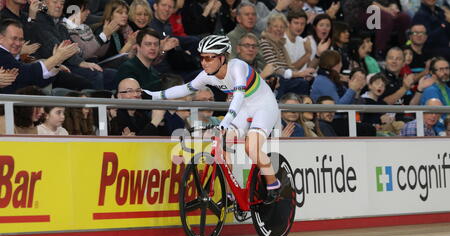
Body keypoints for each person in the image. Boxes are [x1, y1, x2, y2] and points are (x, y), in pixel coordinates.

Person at [144, 35, 283, 204]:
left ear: (222, 58)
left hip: (264, 105)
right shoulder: (207, 75)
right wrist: (153, 95)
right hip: (243, 107)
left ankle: (273, 184)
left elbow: (238, 96)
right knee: (222, 148)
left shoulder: (237, 67)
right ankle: (231, 195)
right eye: (202, 57)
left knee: (251, 148)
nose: (204, 62)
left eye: (209, 58)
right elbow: (184, 89)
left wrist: (226, 120)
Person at [30, 0, 113, 90]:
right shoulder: (40, 23)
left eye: (61, 3)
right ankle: (96, 103)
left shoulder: (60, 25)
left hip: (69, 62)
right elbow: (60, 48)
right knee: (94, 75)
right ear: (44, 4)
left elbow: (78, 50)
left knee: (110, 75)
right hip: (51, 66)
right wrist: (81, 62)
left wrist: (106, 36)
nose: (59, 6)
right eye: (55, 2)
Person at [0, 19, 83, 94]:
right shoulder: (2, 54)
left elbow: (38, 82)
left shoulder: (14, 58)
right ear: (1, 38)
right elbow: (26, 73)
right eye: (14, 38)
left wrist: (57, 62)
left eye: (21, 39)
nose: (18, 43)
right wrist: (57, 58)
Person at [259, 13, 315, 99]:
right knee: (301, 83)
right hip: (274, 78)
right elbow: (273, 68)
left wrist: (303, 74)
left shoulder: (280, 43)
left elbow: (288, 66)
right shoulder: (265, 42)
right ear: (269, 28)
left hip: (284, 77)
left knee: (309, 80)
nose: (279, 29)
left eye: (282, 27)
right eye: (276, 26)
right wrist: (297, 74)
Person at [419, 57, 450, 135]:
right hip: (438, 133)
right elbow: (434, 118)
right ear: (432, 73)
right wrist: (442, 133)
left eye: (447, 68)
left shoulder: (447, 88)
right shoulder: (431, 90)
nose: (445, 72)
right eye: (441, 69)